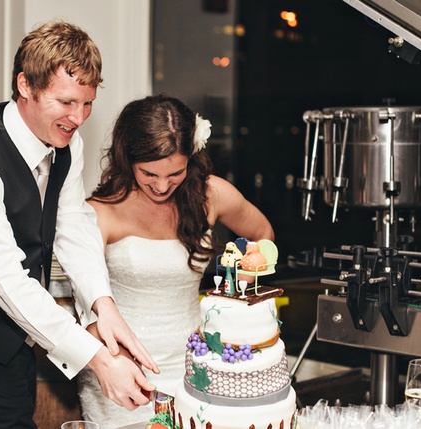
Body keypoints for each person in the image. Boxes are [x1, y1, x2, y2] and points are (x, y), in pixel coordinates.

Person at [0, 21, 159, 429]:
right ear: (25, 85)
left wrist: (101, 304)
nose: (78, 117)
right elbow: (6, 278)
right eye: (65, 102)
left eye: (87, 103)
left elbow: (73, 224)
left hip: (17, 344)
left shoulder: (65, 144)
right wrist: (97, 359)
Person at [77, 94, 275, 428]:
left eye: (175, 173)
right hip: (124, 375)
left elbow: (262, 234)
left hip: (196, 369)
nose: (162, 185)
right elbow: (84, 309)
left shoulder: (210, 194)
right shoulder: (101, 211)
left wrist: (233, 295)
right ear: (128, 159)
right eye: (149, 173)